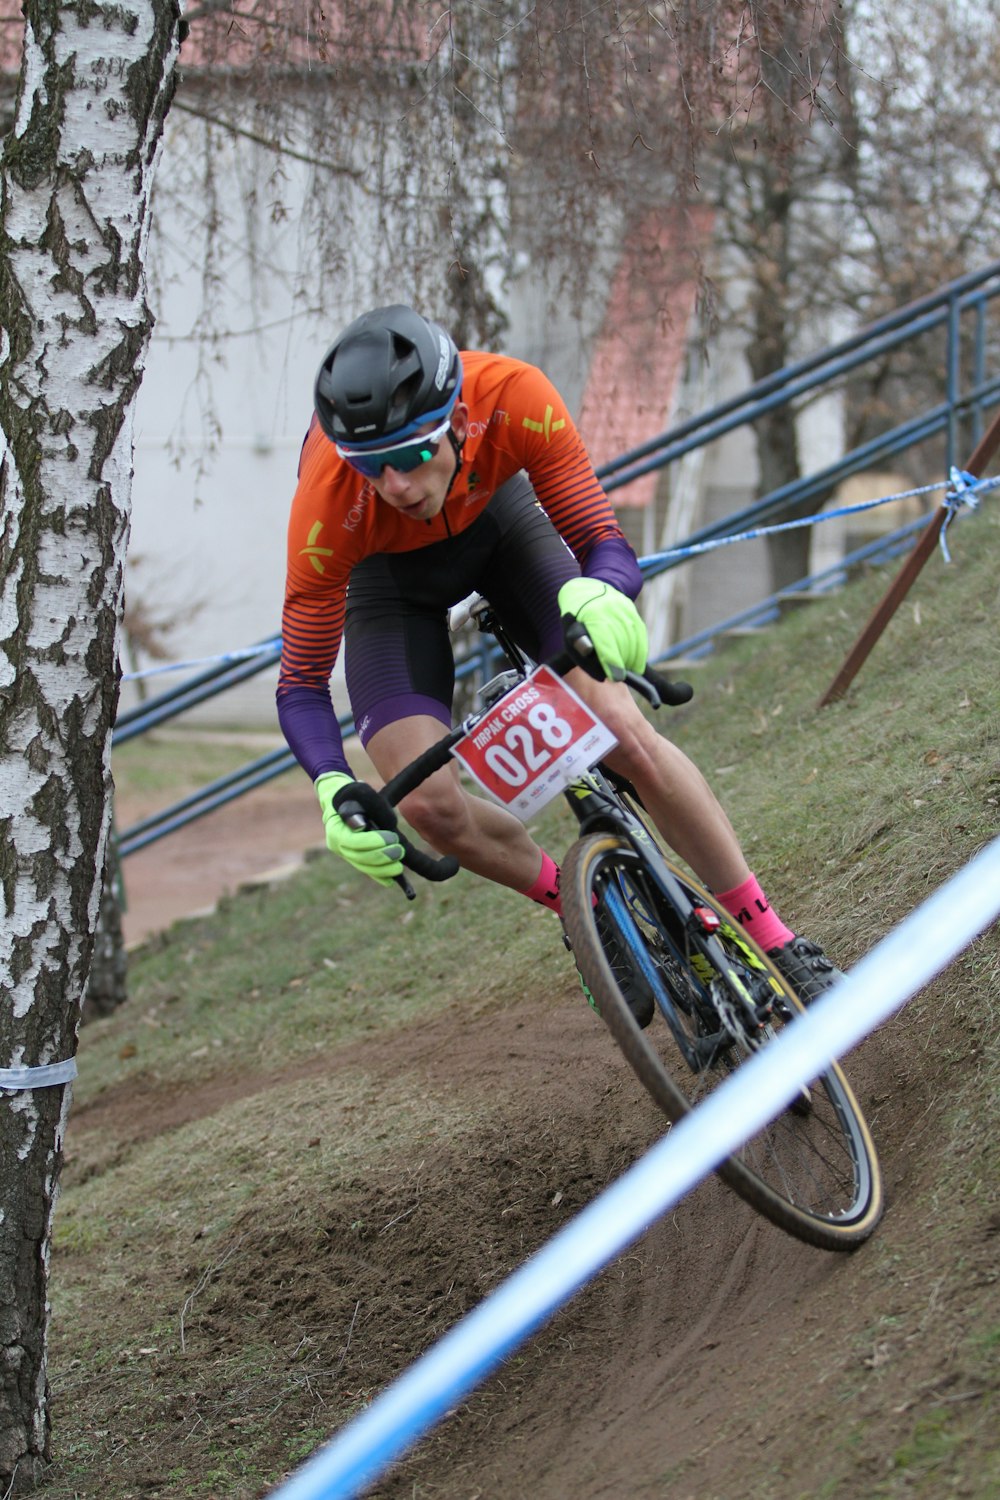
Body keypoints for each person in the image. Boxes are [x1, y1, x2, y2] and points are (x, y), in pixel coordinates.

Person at [277, 304, 841, 1025]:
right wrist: (330, 784)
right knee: (425, 804)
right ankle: (589, 913)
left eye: (413, 453)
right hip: (390, 591)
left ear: (454, 417)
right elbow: (299, 685)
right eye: (370, 465)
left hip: (501, 531)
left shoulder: (513, 396)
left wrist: (603, 596)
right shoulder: (326, 506)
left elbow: (602, 539)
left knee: (623, 732)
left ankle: (778, 941)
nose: (394, 485)